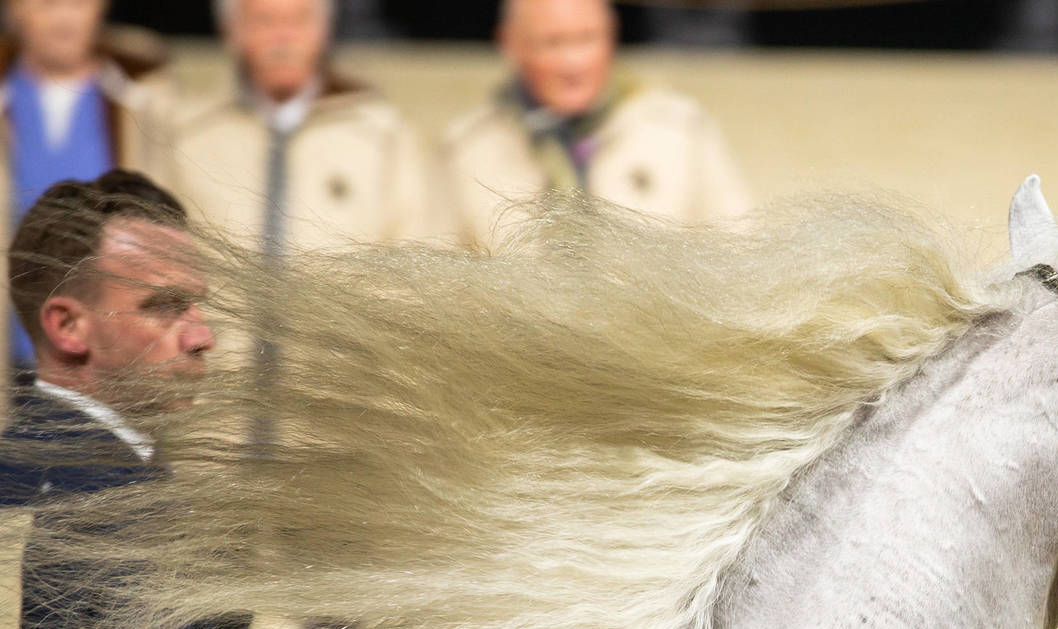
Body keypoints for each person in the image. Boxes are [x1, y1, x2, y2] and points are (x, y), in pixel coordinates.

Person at [0, 169, 223, 629]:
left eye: (199, 306)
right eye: (165, 306)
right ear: (69, 325)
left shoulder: (27, 470)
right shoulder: (110, 507)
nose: (202, 336)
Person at [441, 0, 751, 251]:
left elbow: (738, 250)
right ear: (511, 43)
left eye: (587, 38)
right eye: (553, 43)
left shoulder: (680, 130)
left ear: (611, 35)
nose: (573, 64)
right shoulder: (467, 147)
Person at [165, 0, 436, 255]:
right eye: (264, 21)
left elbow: (419, 250)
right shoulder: (186, 135)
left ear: (325, 28)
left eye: (299, 19)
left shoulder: (384, 136)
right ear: (231, 32)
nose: (283, 37)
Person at [1, 0, 176, 371]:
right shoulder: (9, 98)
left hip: (116, 354)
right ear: (13, 10)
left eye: (78, 3)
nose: (63, 18)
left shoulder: (144, 100)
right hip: (15, 353)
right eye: (46, 5)